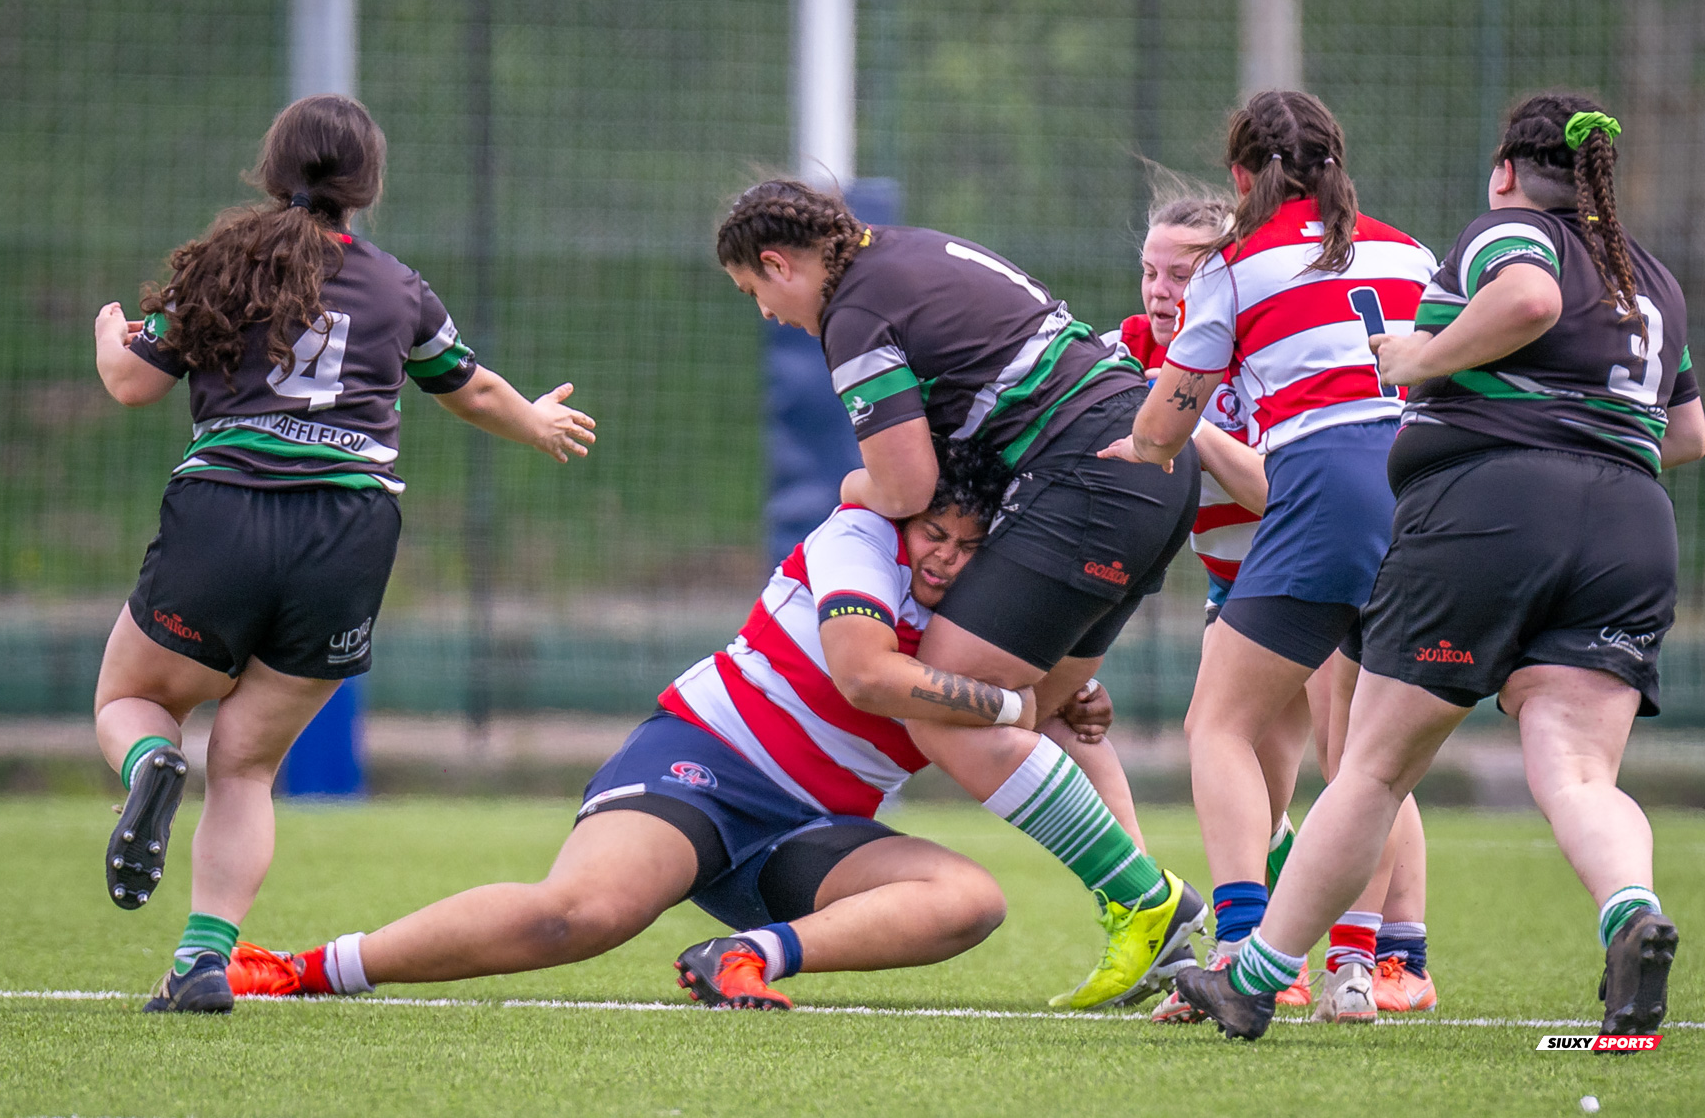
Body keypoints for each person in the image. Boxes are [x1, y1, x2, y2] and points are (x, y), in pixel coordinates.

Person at [225, 442, 1112, 1009]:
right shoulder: (855, 537)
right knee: (577, 915)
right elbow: (873, 679)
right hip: (706, 765)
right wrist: (1019, 703)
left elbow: (1024, 692)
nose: (947, 560)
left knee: (972, 901)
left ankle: (746, 955)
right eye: (934, 536)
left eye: (969, 547)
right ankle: (305, 967)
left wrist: (1073, 694)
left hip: (814, 833)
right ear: (902, 516)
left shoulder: (983, 610)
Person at [1176, 95, 1704, 1047]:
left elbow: (1530, 298)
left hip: (1491, 510)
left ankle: (1252, 979)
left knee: (1371, 767)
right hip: (1632, 521)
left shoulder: (1513, 235)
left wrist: (1423, 358)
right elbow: (1690, 431)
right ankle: (1630, 907)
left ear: (1507, 169)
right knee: (1579, 771)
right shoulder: (1650, 278)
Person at [89, 94, 598, 1013]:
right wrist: (538, 421)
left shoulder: (222, 266)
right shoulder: (398, 285)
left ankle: (148, 767)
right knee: (244, 764)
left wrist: (106, 334)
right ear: (366, 185)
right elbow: (472, 387)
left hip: (227, 510)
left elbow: (130, 382)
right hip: (350, 531)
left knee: (132, 697)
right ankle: (204, 958)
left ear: (270, 168)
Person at [715, 182, 1208, 1009]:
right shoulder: (907, 249)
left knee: (942, 708)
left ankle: (1149, 903)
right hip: (1153, 461)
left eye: (754, 292)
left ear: (778, 263)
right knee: (1049, 708)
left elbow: (907, 485)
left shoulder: (853, 310)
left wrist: (848, 482)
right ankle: (1155, 939)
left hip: (1092, 477)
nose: (766, 312)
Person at [1100, 90, 1437, 1022]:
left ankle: (1248, 950)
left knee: (1218, 725)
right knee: (1361, 754)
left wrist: (1154, 436)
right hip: (1433, 491)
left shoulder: (1239, 268)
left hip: (1329, 488)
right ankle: (1358, 970)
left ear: (1242, 178)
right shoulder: (1413, 250)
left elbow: (1166, 424)